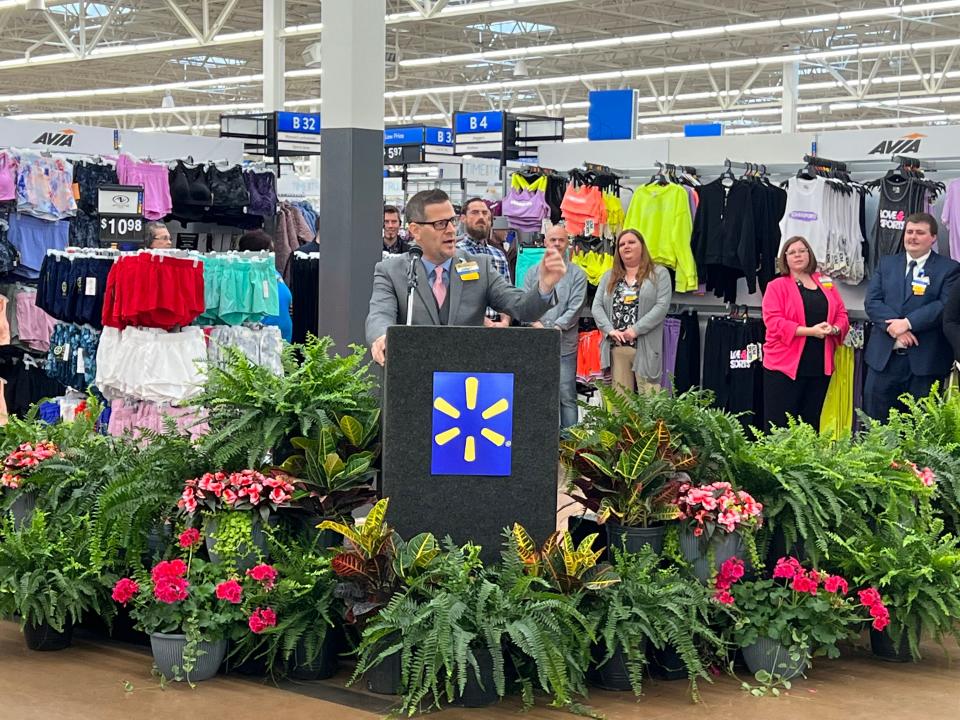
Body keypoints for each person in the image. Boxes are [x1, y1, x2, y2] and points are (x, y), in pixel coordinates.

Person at [365, 189, 567, 366]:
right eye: (440, 224)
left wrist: (545, 286)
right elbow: (379, 315)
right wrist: (382, 337)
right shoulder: (391, 271)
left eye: (452, 221)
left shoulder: (481, 267)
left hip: (467, 385)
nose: (451, 230)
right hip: (412, 382)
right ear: (415, 230)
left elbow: (523, 308)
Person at [865, 212, 960, 420]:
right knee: (876, 429)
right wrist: (895, 329)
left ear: (933, 237)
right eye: (909, 232)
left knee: (919, 431)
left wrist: (908, 323)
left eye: (920, 232)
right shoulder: (886, 263)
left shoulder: (950, 269)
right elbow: (872, 302)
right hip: (883, 361)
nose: (913, 237)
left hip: (924, 364)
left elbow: (944, 306)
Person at [761, 236, 849, 429]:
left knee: (810, 425)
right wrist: (810, 331)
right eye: (792, 252)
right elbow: (774, 322)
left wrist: (834, 329)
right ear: (784, 258)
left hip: (818, 365)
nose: (798, 255)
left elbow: (842, 314)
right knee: (779, 427)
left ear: (809, 254)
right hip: (784, 367)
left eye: (802, 250)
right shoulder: (776, 286)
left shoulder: (825, 282)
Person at [523, 224, 587, 429]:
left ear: (568, 242)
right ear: (545, 242)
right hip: (536, 343)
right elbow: (525, 304)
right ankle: (540, 443)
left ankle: (569, 447)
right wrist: (539, 327)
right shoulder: (532, 273)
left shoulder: (578, 274)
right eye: (553, 240)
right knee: (538, 394)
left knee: (566, 395)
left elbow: (576, 307)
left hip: (564, 345)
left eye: (561, 240)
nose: (557, 243)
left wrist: (556, 328)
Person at [592, 229, 671, 394]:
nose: (626, 246)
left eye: (631, 242)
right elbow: (596, 306)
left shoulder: (659, 274)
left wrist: (635, 330)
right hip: (617, 349)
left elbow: (661, 307)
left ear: (642, 246)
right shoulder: (609, 277)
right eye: (621, 244)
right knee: (621, 407)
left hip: (646, 349)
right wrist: (610, 330)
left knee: (650, 404)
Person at [457, 198, 512, 328]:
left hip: (498, 329)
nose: (481, 217)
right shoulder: (457, 254)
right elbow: (457, 299)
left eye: (485, 213)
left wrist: (505, 322)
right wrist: (484, 322)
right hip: (468, 327)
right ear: (463, 218)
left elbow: (507, 294)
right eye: (475, 212)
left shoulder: (499, 255)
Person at [238, 229, 293, 343]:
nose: (273, 254)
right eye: (270, 250)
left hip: (283, 343)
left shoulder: (272, 273)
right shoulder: (245, 277)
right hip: (261, 342)